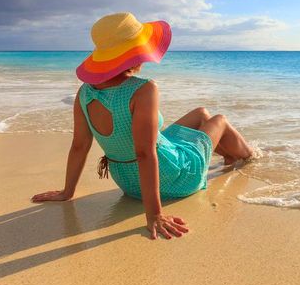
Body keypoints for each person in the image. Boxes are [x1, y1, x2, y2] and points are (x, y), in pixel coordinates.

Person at [31, 12, 253, 240]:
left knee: (201, 114)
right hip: (175, 178)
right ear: (135, 52)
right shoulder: (143, 89)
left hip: (128, 183)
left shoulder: (85, 92)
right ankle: (250, 157)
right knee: (220, 120)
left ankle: (228, 159)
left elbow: (79, 145)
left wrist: (68, 192)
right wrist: (154, 215)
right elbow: (145, 153)